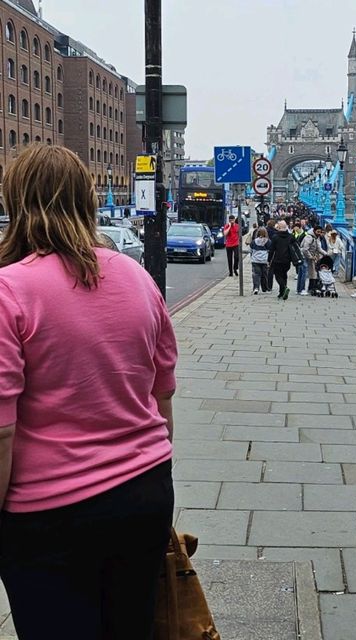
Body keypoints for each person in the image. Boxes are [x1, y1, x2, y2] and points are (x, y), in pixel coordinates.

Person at [0, 144, 177, 640]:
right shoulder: (138, 278)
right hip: (145, 491)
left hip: (49, 513)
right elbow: (162, 400)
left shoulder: (9, 290)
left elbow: (1, 433)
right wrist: (155, 475)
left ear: (17, 201)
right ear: (88, 200)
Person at [268, 220, 294, 300]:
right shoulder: (290, 237)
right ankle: (281, 293)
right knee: (284, 275)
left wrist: (269, 260)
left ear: (279, 228)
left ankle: (284, 288)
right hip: (287, 260)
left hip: (278, 260)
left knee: (278, 276)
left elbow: (271, 250)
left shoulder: (275, 237)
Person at [250, 227, 271, 294]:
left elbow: (251, 249)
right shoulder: (268, 241)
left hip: (255, 260)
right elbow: (270, 250)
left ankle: (256, 288)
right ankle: (265, 288)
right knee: (264, 275)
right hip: (264, 260)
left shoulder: (254, 241)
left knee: (256, 274)